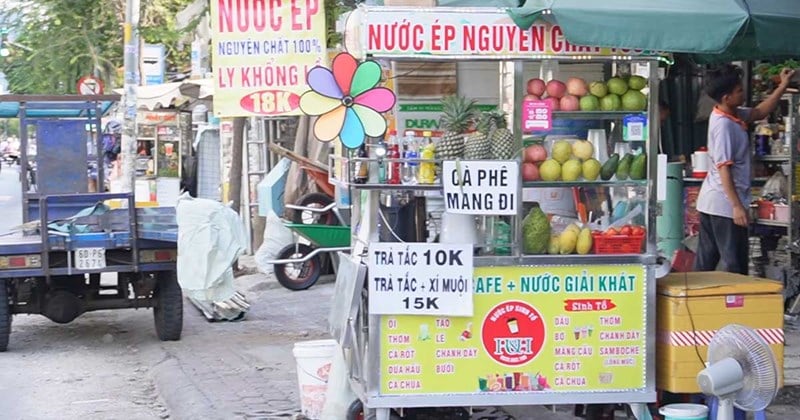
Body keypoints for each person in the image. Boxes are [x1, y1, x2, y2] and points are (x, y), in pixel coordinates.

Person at [694, 64, 795, 274]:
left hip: (712, 202)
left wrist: (783, 86)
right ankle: (736, 305)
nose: (743, 93)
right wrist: (737, 207)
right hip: (724, 205)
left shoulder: (733, 113)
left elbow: (759, 112)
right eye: (739, 91)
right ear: (726, 97)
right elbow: (724, 170)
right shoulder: (723, 126)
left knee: (705, 265)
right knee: (735, 264)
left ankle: (697, 304)